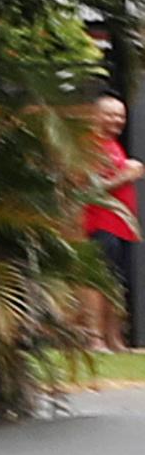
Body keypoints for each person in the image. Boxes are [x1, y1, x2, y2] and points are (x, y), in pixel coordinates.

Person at [82, 93, 143, 352]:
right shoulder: (89, 145)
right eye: (111, 114)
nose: (117, 120)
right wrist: (126, 175)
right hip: (101, 224)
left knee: (116, 282)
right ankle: (95, 338)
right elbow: (88, 188)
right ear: (96, 116)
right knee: (99, 280)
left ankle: (114, 339)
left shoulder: (114, 145)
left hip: (123, 227)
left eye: (121, 116)